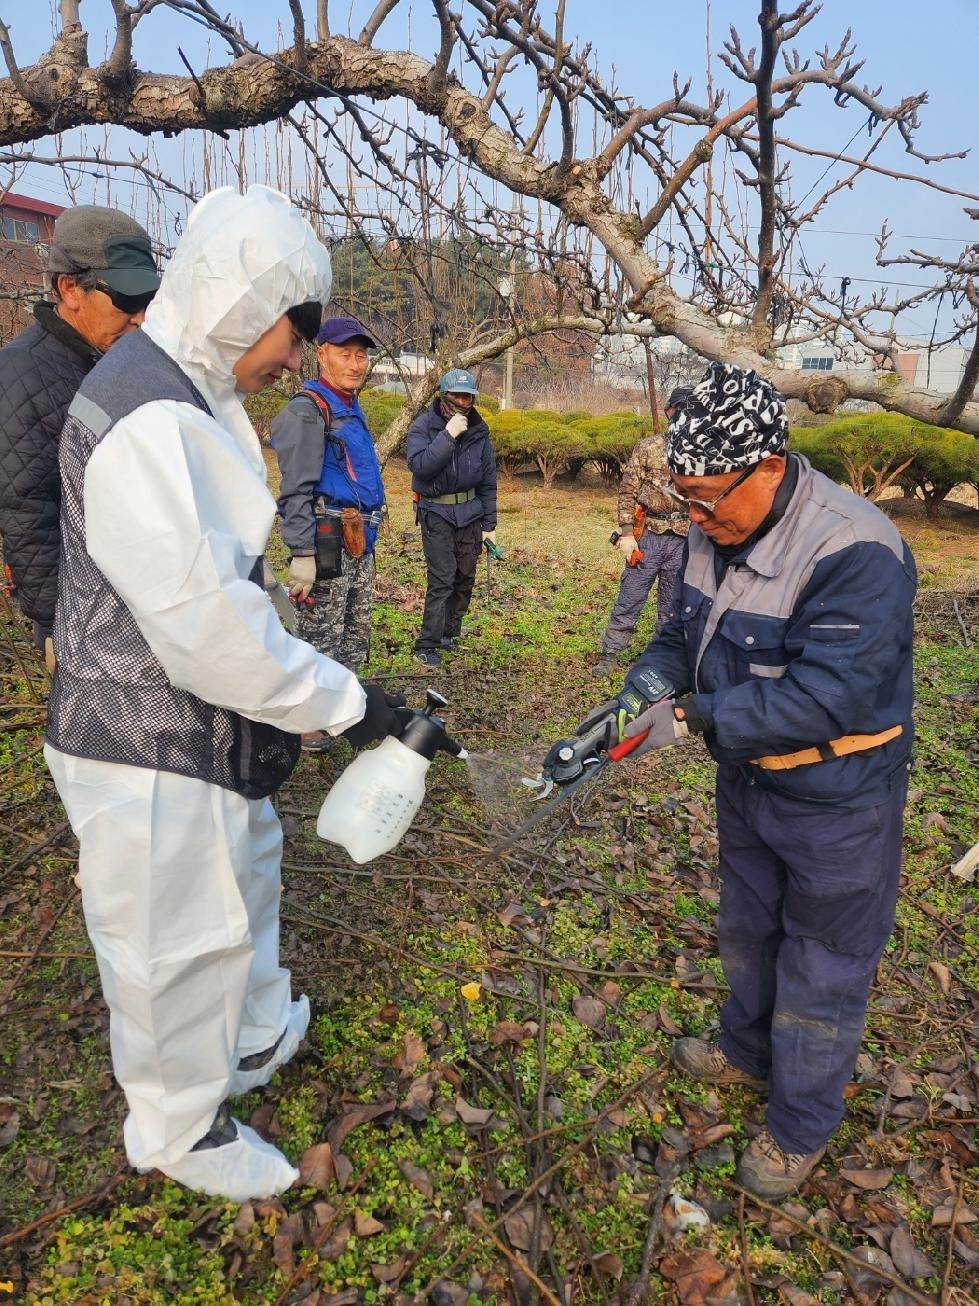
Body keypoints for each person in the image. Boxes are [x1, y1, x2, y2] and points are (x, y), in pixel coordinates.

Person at [43, 186, 408, 1204]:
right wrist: (347, 704)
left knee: (245, 882)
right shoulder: (145, 413)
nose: (294, 359)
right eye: (292, 336)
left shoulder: (188, 386)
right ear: (241, 306)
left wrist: (323, 693)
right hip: (142, 740)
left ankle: (249, 1034)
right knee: (172, 937)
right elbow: (206, 628)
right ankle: (179, 1126)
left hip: (202, 730)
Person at [579, 362, 915, 1201]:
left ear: (767, 465)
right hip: (749, 787)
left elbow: (827, 696)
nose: (694, 519)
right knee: (747, 928)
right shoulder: (708, 525)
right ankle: (745, 1048)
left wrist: (693, 721)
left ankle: (799, 1124)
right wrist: (643, 694)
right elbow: (675, 637)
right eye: (682, 502)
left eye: (706, 499)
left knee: (823, 962)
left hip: (837, 800)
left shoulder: (855, 549)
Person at [0, 205, 160, 670]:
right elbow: (25, 507)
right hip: (81, 612)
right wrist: (54, 623)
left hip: (138, 594)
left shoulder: (116, 360)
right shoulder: (21, 372)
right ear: (69, 288)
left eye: (147, 301)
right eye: (126, 301)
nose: (140, 318)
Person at [270, 316, 386, 751]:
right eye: (345, 353)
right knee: (319, 637)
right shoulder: (308, 410)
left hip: (358, 541)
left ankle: (342, 713)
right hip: (324, 542)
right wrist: (301, 550)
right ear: (322, 355)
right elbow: (295, 488)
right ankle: (305, 725)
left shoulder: (348, 406)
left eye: (361, 355)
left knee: (354, 636)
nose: (356, 364)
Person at [592, 386, 693, 677]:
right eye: (681, 409)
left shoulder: (704, 454)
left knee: (671, 606)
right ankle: (610, 654)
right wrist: (626, 532)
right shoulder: (648, 448)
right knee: (631, 596)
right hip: (648, 533)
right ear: (669, 412)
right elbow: (628, 490)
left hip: (685, 538)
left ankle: (660, 661)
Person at [406, 368, 498, 667]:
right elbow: (420, 466)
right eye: (457, 395)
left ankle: (448, 634)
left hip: (470, 512)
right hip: (436, 511)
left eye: (467, 396)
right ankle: (427, 643)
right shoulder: (424, 427)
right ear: (443, 396)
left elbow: (487, 479)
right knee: (442, 578)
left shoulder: (479, 430)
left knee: (464, 578)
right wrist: (448, 436)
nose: (462, 401)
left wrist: (489, 525)